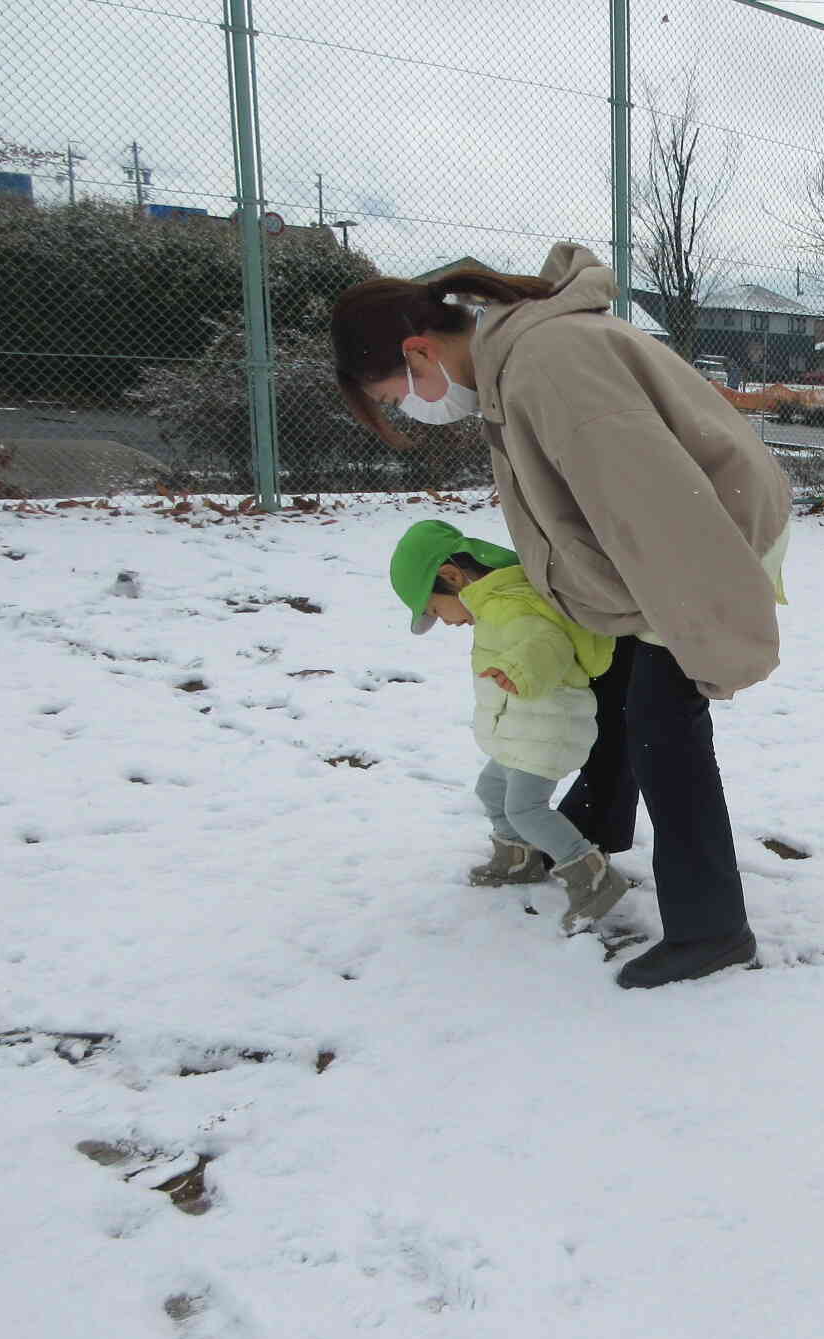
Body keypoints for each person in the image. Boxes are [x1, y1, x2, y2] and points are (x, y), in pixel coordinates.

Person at [332, 244, 789, 988]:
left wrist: (704, 631)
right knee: (615, 688)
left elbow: (660, 508)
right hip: (660, 549)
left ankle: (713, 930)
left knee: (664, 726)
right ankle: (597, 827)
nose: (408, 408)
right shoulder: (513, 368)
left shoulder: (546, 363)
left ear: (419, 351)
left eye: (394, 394)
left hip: (709, 541)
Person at [389, 520, 627, 937]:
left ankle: (593, 877)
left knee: (525, 808)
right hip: (523, 729)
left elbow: (546, 644)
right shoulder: (491, 603)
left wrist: (519, 670)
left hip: (550, 726)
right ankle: (517, 860)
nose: (442, 621)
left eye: (433, 609)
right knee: (492, 790)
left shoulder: (511, 603)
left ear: (450, 576)